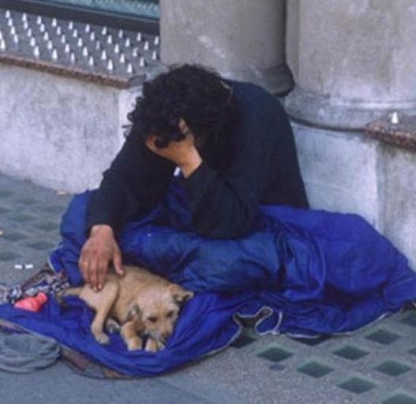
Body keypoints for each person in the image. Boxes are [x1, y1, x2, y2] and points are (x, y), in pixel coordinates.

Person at [79, 64, 309, 291]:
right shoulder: (162, 112)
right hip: (193, 213)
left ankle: (151, 264)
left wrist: (187, 158)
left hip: (258, 225)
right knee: (85, 214)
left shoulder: (257, 113)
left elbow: (232, 222)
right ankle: (152, 261)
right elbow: (123, 177)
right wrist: (101, 232)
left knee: (227, 264)